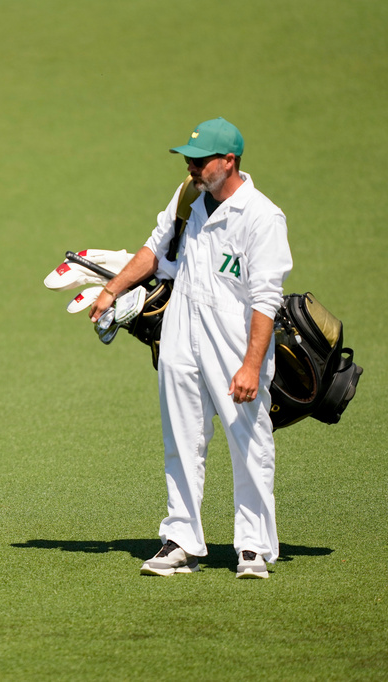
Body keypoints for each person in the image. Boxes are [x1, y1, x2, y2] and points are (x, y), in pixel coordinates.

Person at [89, 118, 293, 579]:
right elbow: (153, 250)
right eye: (188, 159)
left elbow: (266, 299)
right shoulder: (188, 198)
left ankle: (254, 547)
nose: (191, 166)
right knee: (181, 440)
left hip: (235, 344)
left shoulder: (262, 217)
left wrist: (251, 365)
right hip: (181, 335)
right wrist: (112, 291)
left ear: (229, 162)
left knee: (250, 443)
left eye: (200, 161)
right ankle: (182, 540)